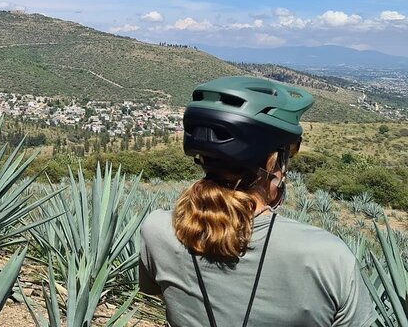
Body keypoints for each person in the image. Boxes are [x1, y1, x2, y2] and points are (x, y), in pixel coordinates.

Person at [139, 76, 376, 327]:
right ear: (272, 161)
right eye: (290, 152)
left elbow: (156, 292)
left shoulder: (158, 231)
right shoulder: (328, 258)